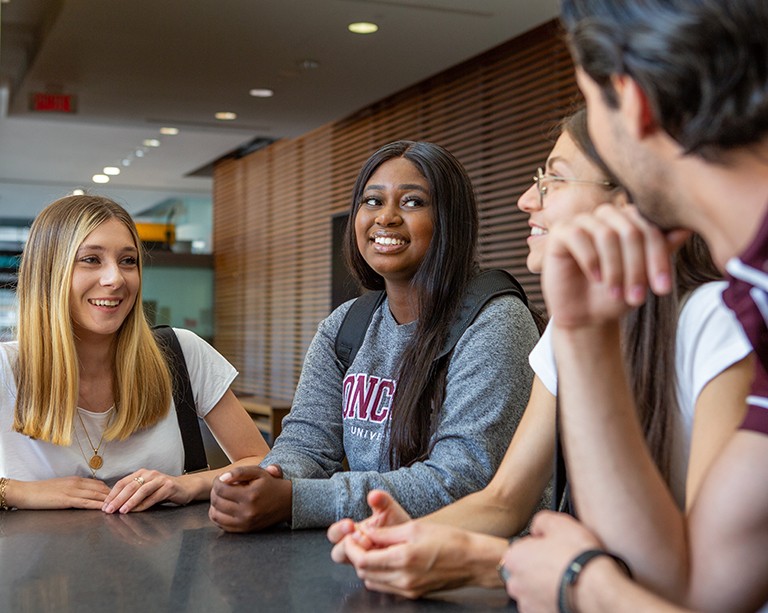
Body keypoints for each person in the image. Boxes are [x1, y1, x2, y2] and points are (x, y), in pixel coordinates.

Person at [324, 109, 752, 598]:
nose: (528, 200)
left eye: (555, 180)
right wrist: (407, 538)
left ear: (633, 195)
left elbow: (704, 588)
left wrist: (496, 562)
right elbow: (505, 500)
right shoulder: (573, 329)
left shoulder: (718, 325)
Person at [500, 1, 768, 612]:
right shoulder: (754, 292)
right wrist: (583, 331)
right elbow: (699, 588)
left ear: (633, 100)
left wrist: (581, 584)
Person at [207, 140, 541, 531]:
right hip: (374, 554)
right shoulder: (346, 325)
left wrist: (297, 500)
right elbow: (306, 443)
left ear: (451, 221)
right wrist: (266, 481)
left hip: (484, 569)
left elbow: (464, 479)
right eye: (372, 201)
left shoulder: (495, 321)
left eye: (413, 202)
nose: (386, 218)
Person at [0, 195, 269, 513]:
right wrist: (17, 492)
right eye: (91, 259)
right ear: (48, 273)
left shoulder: (180, 352)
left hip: (162, 557)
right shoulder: (6, 367)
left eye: (128, 261)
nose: (115, 279)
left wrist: (185, 484)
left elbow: (264, 463)